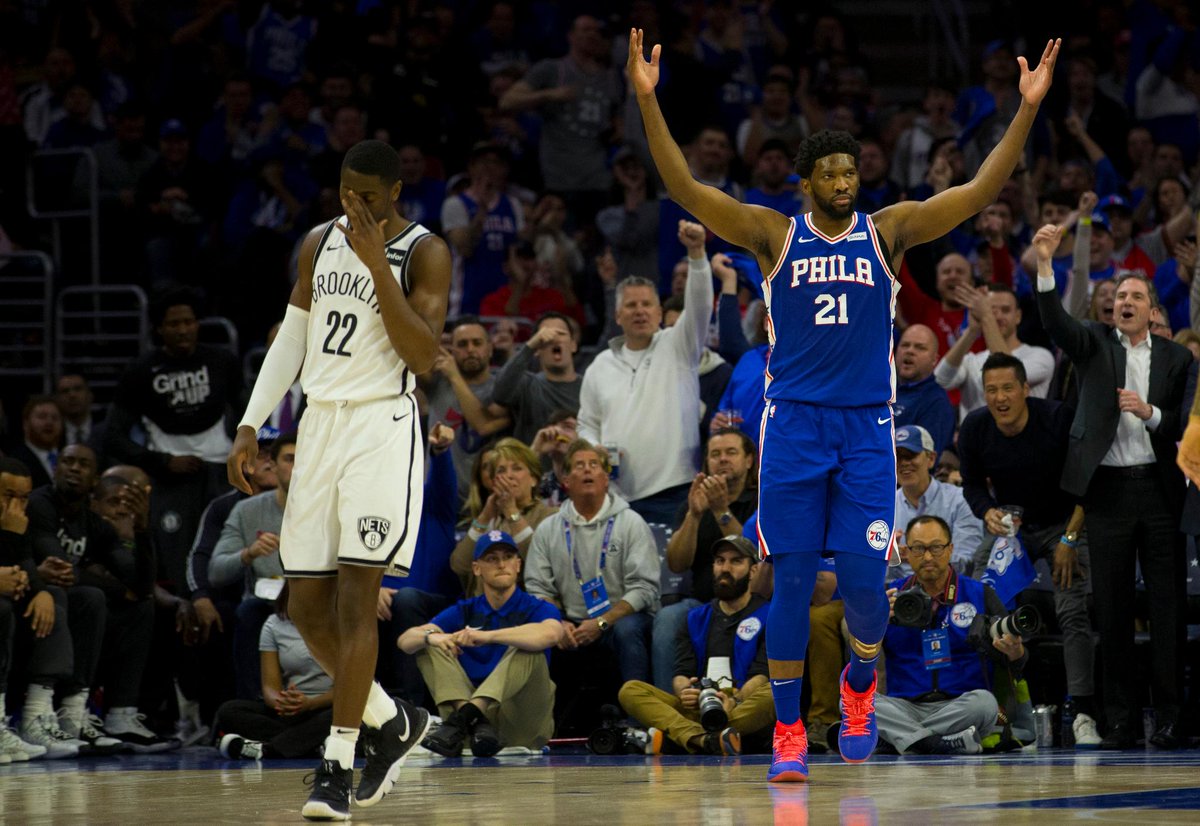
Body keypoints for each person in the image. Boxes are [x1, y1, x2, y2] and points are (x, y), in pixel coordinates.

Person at [628, 27, 1061, 781]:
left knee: (864, 587)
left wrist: (1024, 112)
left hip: (865, 431)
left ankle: (861, 683)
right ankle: (792, 727)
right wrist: (645, 99)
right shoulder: (773, 233)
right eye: (829, 171)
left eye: (851, 169)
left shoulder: (886, 230)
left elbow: (978, 193)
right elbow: (686, 190)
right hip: (793, 425)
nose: (844, 179)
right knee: (792, 581)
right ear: (806, 180)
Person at [226, 139, 450, 819]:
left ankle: (338, 761)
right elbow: (291, 337)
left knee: (358, 600)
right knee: (302, 606)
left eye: (369, 197)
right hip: (319, 425)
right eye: (347, 194)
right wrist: (250, 423)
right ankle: (391, 718)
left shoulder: (425, 251)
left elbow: (421, 354)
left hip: (380, 427)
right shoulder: (315, 242)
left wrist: (373, 262)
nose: (355, 206)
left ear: (394, 191)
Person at [1034, 226, 1191, 750]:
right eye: (1119, 296)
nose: (1125, 302)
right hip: (1108, 496)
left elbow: (1186, 423)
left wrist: (1150, 413)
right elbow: (1055, 322)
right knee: (1115, 609)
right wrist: (1044, 266)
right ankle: (1120, 719)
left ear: (1153, 309)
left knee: (1167, 608)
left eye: (1135, 297)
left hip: (1163, 492)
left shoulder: (1178, 359)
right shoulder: (1094, 344)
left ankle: (1170, 717)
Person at [957, 352, 1098, 747]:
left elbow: (1090, 483)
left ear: (1025, 389)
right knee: (978, 600)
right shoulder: (975, 427)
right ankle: (991, 706)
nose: (1000, 398)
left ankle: (1082, 710)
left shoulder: (1057, 419)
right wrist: (986, 512)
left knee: (1072, 609)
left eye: (1007, 388)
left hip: (1062, 523)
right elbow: (971, 484)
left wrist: (1070, 539)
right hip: (1011, 527)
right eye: (991, 390)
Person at [26, 445, 173, 753]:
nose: (74, 468)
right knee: (89, 597)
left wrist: (143, 530)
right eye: (67, 461)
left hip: (75, 616)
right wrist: (118, 590)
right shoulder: (41, 504)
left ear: (94, 479)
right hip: (34, 600)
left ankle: (120, 714)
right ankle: (60, 713)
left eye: (83, 464)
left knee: (140, 608)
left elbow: (141, 585)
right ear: (55, 470)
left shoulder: (93, 523)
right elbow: (60, 568)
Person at [103, 287, 243, 592]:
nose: (183, 330)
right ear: (159, 329)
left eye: (189, 322)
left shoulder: (223, 361)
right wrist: (162, 461)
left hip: (220, 474)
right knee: (174, 561)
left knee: (224, 553)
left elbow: (248, 416)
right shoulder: (140, 371)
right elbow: (112, 436)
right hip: (168, 481)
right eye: (174, 324)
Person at [577, 220, 714, 524]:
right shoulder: (600, 365)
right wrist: (592, 447)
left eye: (646, 304)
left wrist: (696, 254)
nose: (639, 311)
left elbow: (700, 306)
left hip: (673, 492)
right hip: (612, 497)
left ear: (659, 312)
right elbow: (586, 423)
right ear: (617, 314)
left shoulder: (679, 345)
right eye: (631, 305)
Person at [400, 530, 563, 757]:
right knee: (429, 646)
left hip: (519, 722)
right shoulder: (466, 609)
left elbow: (552, 634)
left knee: (530, 649)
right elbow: (405, 641)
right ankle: (474, 719)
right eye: (492, 559)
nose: (501, 564)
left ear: (518, 565)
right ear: (477, 568)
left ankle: (468, 714)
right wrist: (432, 636)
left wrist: (488, 636)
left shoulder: (536, 607)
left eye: (507, 557)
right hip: (474, 732)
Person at [875, 516, 1028, 755]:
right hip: (906, 706)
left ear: (950, 549)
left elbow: (1016, 657)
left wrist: (1016, 653)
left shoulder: (979, 594)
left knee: (985, 703)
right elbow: (858, 660)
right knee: (856, 703)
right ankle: (936, 742)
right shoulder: (890, 597)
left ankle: (901, 739)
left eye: (935, 547)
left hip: (961, 706)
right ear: (906, 552)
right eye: (918, 548)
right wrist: (873, 623)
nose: (927, 557)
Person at [620, 535, 773, 755]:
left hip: (741, 707)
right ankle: (706, 738)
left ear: (753, 571)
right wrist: (686, 692)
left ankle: (685, 738)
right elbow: (682, 672)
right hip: (700, 707)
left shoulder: (769, 615)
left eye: (736, 561)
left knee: (774, 693)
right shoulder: (695, 618)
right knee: (631, 690)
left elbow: (763, 674)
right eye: (720, 561)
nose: (725, 568)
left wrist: (734, 699)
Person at [524, 440, 660, 686]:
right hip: (569, 622)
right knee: (537, 630)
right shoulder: (548, 529)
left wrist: (602, 621)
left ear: (606, 479)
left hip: (621, 619)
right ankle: (550, 723)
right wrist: (556, 622)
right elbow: (538, 588)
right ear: (565, 481)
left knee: (627, 629)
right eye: (579, 465)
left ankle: (638, 718)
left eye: (594, 465)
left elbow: (644, 588)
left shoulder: (631, 522)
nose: (587, 469)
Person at [658, 429, 758, 691]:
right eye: (715, 454)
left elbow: (754, 556)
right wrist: (694, 514)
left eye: (731, 452)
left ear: (749, 460)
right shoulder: (693, 502)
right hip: (702, 603)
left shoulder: (762, 500)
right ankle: (671, 708)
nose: (722, 459)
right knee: (668, 618)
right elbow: (677, 564)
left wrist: (720, 510)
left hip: (750, 602)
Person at [209, 431, 297, 700]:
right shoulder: (247, 511)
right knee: (248, 611)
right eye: (290, 459)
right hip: (267, 601)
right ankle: (252, 704)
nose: (298, 468)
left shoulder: (332, 509)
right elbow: (216, 571)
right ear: (272, 463)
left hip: (320, 600)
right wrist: (248, 553)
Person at [215, 583, 334, 761]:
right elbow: (270, 687)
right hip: (293, 711)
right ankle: (314, 745)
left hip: (329, 706)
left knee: (356, 714)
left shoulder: (343, 621)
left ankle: (267, 749)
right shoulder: (274, 624)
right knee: (229, 711)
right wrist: (285, 703)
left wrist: (311, 704)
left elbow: (353, 689)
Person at [934, 283, 1055, 421]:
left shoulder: (1040, 356)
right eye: (992, 310)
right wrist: (972, 331)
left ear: (1018, 316)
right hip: (975, 440)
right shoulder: (971, 360)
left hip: (1020, 441)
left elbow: (1007, 372)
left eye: (1005, 310)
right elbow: (941, 379)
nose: (997, 317)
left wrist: (986, 316)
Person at [892, 426, 982, 573]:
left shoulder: (960, 500)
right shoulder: (884, 508)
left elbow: (968, 561)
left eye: (910, 455)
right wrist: (888, 559)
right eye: (897, 457)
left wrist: (919, 558)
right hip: (899, 591)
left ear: (931, 459)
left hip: (950, 590)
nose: (903, 463)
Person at [491, 312, 581, 445]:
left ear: (573, 345)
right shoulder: (527, 384)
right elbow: (499, 394)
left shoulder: (588, 386)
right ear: (537, 349)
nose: (554, 339)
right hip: (534, 464)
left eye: (560, 333)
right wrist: (530, 346)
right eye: (546, 335)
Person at [893, 325, 955, 455]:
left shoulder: (936, 403)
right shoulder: (880, 391)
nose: (910, 351)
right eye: (905, 345)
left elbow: (925, 460)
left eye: (920, 348)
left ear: (934, 360)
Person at [9, 396, 63, 491]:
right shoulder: (15, 462)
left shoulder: (68, 457)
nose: (49, 422)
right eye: (42, 417)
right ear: (25, 423)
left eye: (55, 418)